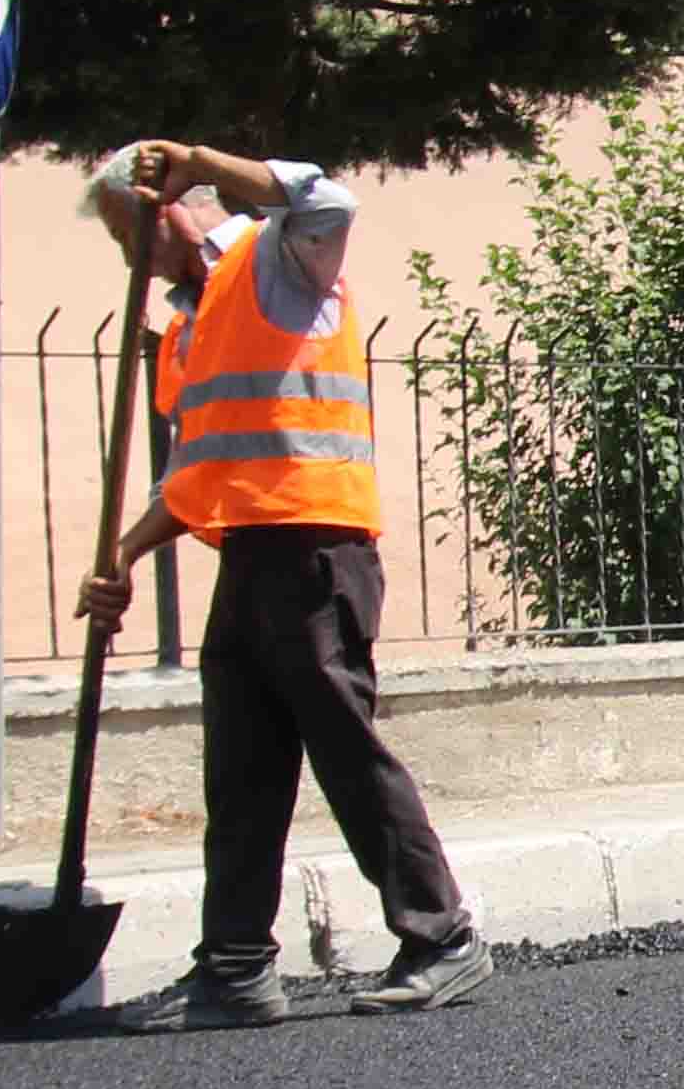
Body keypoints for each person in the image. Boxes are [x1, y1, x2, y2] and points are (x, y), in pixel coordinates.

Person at [81, 142, 488, 1023]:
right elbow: (195, 475)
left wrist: (195, 157)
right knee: (240, 768)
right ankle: (234, 968)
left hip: (317, 548)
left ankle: (443, 938)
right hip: (249, 556)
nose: (127, 259)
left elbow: (328, 197)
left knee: (345, 753)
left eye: (125, 236)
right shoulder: (187, 326)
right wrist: (124, 553)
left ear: (168, 209)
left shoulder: (279, 257)